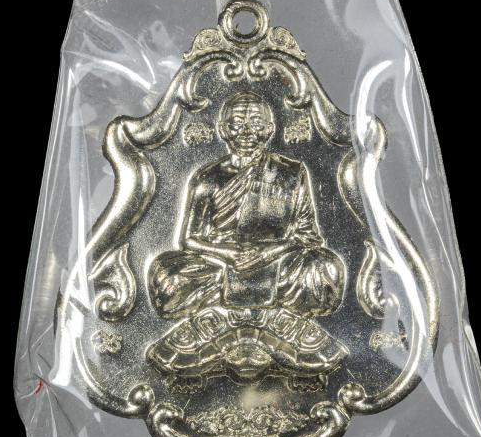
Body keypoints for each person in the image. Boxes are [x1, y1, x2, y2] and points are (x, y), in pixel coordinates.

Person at [148, 91, 345, 319]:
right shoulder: (208, 177)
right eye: (237, 123)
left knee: (325, 269)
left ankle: (244, 294)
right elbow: (189, 240)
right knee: (168, 277)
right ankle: (245, 294)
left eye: (256, 123)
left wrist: (268, 253)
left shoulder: (291, 172)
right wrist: (227, 253)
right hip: (221, 264)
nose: (247, 131)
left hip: (279, 262)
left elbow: (307, 235)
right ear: (223, 130)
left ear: (269, 129)